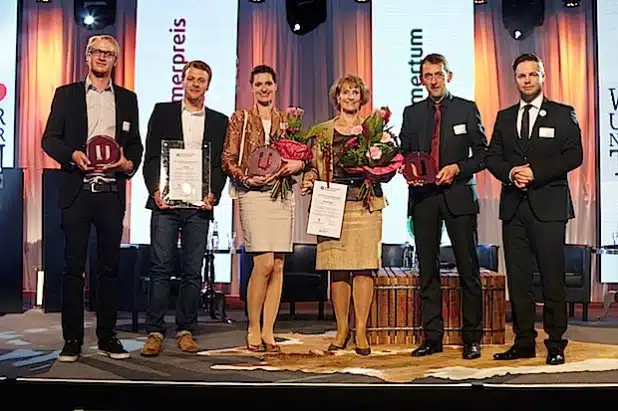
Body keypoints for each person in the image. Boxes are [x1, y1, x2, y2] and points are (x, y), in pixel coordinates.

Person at [41, 35, 143, 362]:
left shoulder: (128, 99)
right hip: (77, 192)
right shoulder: (66, 95)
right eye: (97, 52)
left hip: (111, 194)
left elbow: (136, 145)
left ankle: (108, 336)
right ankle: (71, 340)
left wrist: (129, 164)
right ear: (87, 57)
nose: (102, 57)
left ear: (115, 61)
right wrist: (72, 154)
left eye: (109, 54)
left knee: (109, 269)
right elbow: (49, 140)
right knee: (73, 269)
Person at [486, 53, 582, 365]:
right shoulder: (503, 117)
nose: (526, 80)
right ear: (515, 79)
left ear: (542, 76)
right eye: (521, 76)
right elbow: (493, 157)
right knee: (519, 278)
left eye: (532, 74)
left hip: (549, 208)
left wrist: (535, 172)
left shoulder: (562, 114)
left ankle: (555, 343)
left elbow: (574, 156)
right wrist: (512, 172)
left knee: (552, 278)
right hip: (514, 209)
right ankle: (524, 340)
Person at [399, 53, 488, 360]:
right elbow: (405, 153)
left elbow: (482, 155)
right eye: (428, 75)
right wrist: (407, 170)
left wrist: (458, 169)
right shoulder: (411, 113)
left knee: (468, 269)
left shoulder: (467, 108)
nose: (434, 80)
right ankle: (432, 337)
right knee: (427, 270)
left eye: (438, 74)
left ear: (449, 76)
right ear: (422, 79)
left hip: (459, 195)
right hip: (424, 199)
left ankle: (471, 339)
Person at [140, 60, 229, 356]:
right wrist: (156, 190)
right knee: (160, 267)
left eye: (201, 80)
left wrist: (213, 193)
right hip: (165, 203)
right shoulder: (162, 112)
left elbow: (219, 166)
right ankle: (154, 330)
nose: (195, 84)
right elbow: (151, 157)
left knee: (192, 271)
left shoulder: (219, 120)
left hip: (199, 208)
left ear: (208, 85)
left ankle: (186, 329)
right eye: (191, 78)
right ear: (182, 79)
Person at [221, 65, 304, 352]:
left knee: (278, 265)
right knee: (264, 264)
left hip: (281, 194)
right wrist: (246, 177)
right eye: (259, 84)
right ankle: (253, 327)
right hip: (253, 194)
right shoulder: (240, 118)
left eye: (269, 83)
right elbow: (228, 158)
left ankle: (269, 330)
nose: (264, 88)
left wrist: (300, 164)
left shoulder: (287, 120)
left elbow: (301, 155)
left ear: (276, 86)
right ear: (251, 87)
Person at [301, 74, 384, 356]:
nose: (349, 97)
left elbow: (386, 165)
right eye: (344, 92)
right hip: (331, 204)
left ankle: (360, 329)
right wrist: (310, 178)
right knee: (337, 268)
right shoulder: (322, 131)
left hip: (365, 204)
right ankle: (341, 329)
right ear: (336, 97)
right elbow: (313, 166)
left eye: (354, 92)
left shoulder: (374, 130)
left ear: (362, 98)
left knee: (363, 266)